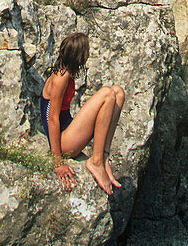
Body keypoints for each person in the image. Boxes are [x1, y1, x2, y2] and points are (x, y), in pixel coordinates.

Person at [41, 31, 125, 194]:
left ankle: (103, 157)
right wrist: (58, 163)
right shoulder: (61, 77)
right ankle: (95, 161)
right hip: (64, 140)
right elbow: (51, 119)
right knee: (107, 93)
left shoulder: (67, 74)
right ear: (79, 56)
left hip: (68, 129)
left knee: (118, 93)